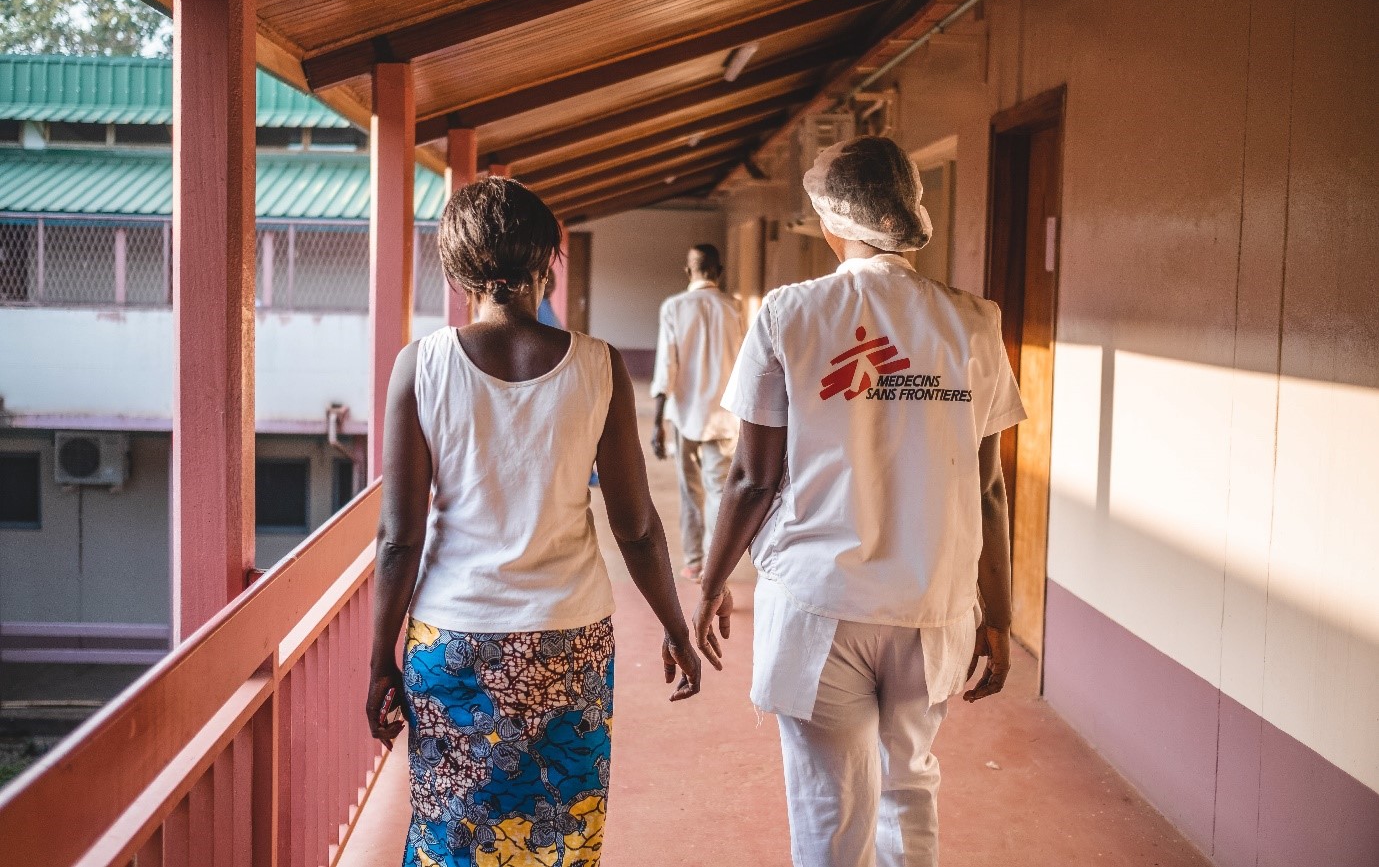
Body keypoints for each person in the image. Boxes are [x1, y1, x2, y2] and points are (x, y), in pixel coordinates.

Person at [693, 136, 1026, 867]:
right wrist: (997, 614)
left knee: (828, 804)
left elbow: (750, 477)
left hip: (820, 606)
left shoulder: (789, 313)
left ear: (829, 220)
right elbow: (990, 484)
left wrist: (711, 581)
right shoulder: (974, 321)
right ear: (908, 212)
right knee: (909, 786)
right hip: (931, 605)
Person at [366, 177, 701, 867]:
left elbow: (399, 537)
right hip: (567, 640)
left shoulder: (420, 367)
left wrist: (380, 656)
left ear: (456, 269)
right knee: (560, 830)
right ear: (547, 259)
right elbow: (636, 528)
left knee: (452, 831)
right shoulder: (599, 365)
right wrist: (675, 623)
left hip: (454, 640)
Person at [649, 244, 745, 581]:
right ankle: (716, 566)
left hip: (686, 416)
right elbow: (748, 366)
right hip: (725, 417)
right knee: (719, 491)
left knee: (691, 491)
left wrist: (658, 421)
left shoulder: (674, 307)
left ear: (689, 272)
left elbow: (666, 366)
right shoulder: (735, 308)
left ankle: (693, 561)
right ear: (719, 272)